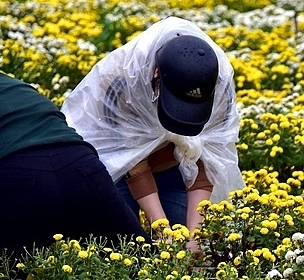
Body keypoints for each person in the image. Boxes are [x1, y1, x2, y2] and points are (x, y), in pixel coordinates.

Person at [62, 17, 244, 248]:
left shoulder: (217, 87)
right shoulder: (121, 83)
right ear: (156, 74)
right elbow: (130, 161)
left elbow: (206, 158)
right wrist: (160, 227)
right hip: (115, 171)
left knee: (194, 241)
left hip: (175, 170)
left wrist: (194, 237)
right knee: (117, 242)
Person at [0, 72, 146, 258]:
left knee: (13, 276)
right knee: (138, 260)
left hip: (19, 174)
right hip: (83, 165)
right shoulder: (14, 84)